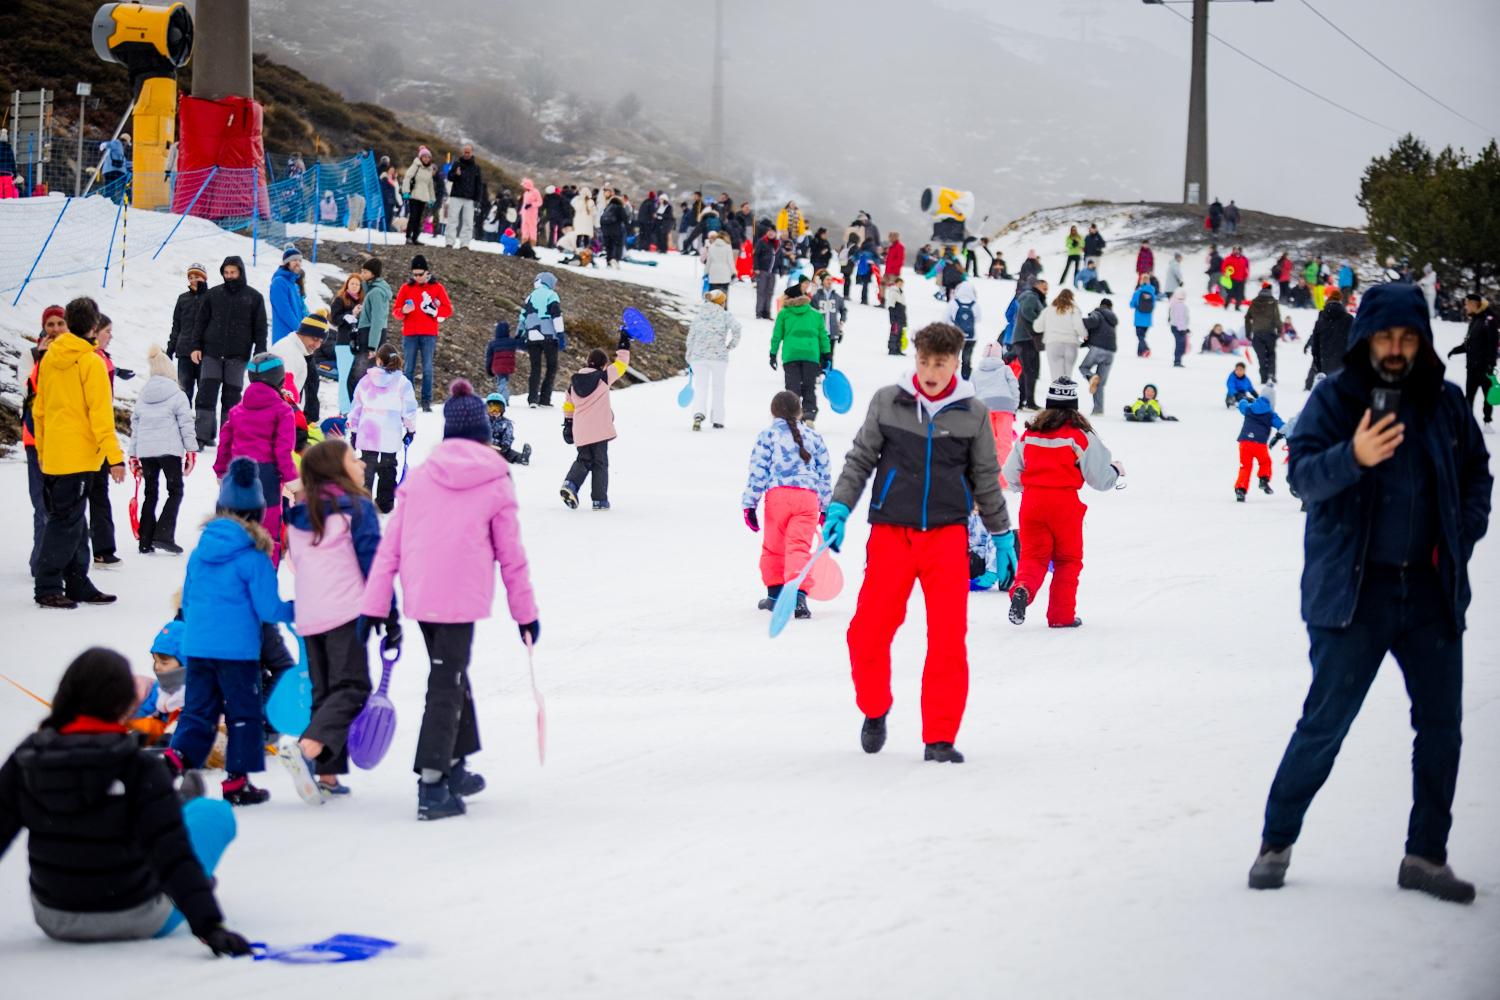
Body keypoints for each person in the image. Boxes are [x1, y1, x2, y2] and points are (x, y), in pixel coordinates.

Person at [1249, 282, 1491, 902]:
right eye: (1384, 336)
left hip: (1431, 592)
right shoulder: (1335, 399)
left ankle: (1425, 856)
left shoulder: (1444, 404)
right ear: (1365, 340)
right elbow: (1303, 475)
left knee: (1441, 727)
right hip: (1352, 596)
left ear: (1421, 342)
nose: (1395, 348)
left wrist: (1458, 539)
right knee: (1326, 722)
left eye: (1407, 337)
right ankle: (1277, 838)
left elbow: (1475, 478)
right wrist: (1353, 455)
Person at [821, 323, 1014, 764]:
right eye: (924, 360)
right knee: (867, 634)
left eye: (940, 362)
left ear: (955, 363)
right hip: (891, 535)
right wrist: (838, 509)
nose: (930, 370)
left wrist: (1002, 536)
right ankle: (875, 707)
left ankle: (939, 738)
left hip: (946, 538)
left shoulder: (973, 413)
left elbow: (986, 480)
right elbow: (860, 460)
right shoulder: (889, 402)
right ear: (916, 359)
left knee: (948, 640)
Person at [360, 379, 539, 820]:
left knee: (451, 672)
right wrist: (526, 615)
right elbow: (511, 555)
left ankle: (456, 765)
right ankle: (433, 783)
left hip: (423, 594)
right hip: (459, 597)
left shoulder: (421, 476)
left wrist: (375, 603)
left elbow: (390, 548)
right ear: (481, 431)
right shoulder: (496, 477)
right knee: (445, 682)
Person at [0, 648, 252, 955]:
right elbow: (173, 854)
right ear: (122, 704)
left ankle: (176, 805)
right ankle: (180, 807)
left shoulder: (28, 758)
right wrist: (210, 927)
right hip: (138, 915)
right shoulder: (137, 765)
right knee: (212, 813)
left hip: (55, 917)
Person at [170, 457, 296, 806]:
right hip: (237, 653)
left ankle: (173, 762)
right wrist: (297, 611)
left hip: (198, 647)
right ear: (257, 512)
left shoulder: (200, 551)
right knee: (244, 715)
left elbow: (189, 599)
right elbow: (269, 609)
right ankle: (236, 783)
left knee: (198, 712)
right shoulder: (254, 557)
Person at [285, 440, 390, 796]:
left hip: (310, 612)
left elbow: (297, 563)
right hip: (345, 610)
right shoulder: (357, 509)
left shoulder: (300, 514)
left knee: (326, 691)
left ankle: (328, 776)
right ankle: (307, 749)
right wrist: (387, 611)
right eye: (353, 459)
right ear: (337, 470)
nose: (361, 464)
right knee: (352, 688)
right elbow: (373, 562)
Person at [1003, 377, 1121, 629]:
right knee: (1068, 560)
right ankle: (1060, 616)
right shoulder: (1080, 436)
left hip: (1032, 503)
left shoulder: (1030, 434)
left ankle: (1022, 589)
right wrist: (1115, 472)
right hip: (1064, 505)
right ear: (1073, 405)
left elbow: (1010, 472)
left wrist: (1029, 487)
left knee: (1033, 556)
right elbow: (1100, 478)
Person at [32, 298, 123, 609]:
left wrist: (43, 450)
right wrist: (115, 457)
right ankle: (47, 584)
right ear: (94, 326)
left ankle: (77, 581)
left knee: (74, 520)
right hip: (79, 455)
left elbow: (39, 410)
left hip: (56, 453)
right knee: (64, 522)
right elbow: (100, 415)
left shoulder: (49, 358)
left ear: (69, 323)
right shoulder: (90, 362)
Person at [741, 390, 832, 619]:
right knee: (799, 547)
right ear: (799, 411)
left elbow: (757, 472)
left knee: (774, 547)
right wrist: (825, 507)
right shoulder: (813, 437)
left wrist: (749, 504)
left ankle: (774, 596)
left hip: (778, 498)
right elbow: (824, 474)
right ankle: (799, 596)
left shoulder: (767, 435)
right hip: (807, 499)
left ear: (772, 412)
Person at [212, 352, 299, 563]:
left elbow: (224, 443)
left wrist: (221, 471)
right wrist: (293, 481)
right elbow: (283, 450)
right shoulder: (283, 410)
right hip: (266, 477)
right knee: (266, 535)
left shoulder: (237, 411)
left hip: (236, 476)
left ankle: (230, 576)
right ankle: (263, 577)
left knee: (232, 531)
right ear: (279, 379)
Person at [185, 256, 267, 448]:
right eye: (226, 272)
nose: (229, 276)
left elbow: (260, 329)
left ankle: (229, 437)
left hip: (238, 356)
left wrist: (260, 353)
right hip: (211, 353)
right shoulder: (213, 295)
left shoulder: (254, 297)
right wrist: (195, 346)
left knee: (232, 397)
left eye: (233, 272)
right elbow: (200, 322)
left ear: (240, 272)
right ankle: (202, 436)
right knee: (206, 394)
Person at [129, 344, 197, 555]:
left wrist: (133, 456)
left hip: (147, 452)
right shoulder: (177, 394)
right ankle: (164, 534)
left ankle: (145, 540)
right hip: (169, 451)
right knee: (175, 490)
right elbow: (186, 425)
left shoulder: (143, 396)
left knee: (151, 493)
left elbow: (135, 428)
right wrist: (191, 451)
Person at [561, 335, 631, 510]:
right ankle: (599, 500)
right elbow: (622, 364)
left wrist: (568, 424)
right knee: (600, 463)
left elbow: (568, 405)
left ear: (587, 362)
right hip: (600, 430)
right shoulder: (604, 377)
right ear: (603, 365)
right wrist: (624, 342)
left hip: (581, 430)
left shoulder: (573, 383)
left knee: (584, 459)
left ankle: (571, 483)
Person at [22, 305, 68, 577]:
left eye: (60, 323)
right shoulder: (31, 356)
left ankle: (59, 560)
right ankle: (40, 560)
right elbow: (30, 391)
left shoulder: (76, 356)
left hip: (63, 438)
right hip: (36, 438)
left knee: (62, 504)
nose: (54, 329)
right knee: (41, 502)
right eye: (50, 324)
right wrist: (43, 359)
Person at [348, 343, 418, 514]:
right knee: (388, 469)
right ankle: (385, 504)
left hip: (367, 432)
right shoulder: (403, 383)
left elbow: (356, 407)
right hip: (390, 434)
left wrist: (354, 430)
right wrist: (410, 429)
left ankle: (364, 503)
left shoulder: (366, 380)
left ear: (378, 360)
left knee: (366, 467)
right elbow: (409, 410)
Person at [392, 254, 453, 412]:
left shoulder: (437, 288)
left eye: (420, 274)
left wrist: (435, 311)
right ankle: (408, 401)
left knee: (427, 368)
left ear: (427, 272)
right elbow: (396, 311)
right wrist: (403, 311)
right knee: (408, 369)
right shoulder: (406, 288)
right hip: (410, 334)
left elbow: (448, 310)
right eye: (414, 274)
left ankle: (426, 402)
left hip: (429, 334)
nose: (417, 277)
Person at [769, 278, 831, 427]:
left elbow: (777, 335)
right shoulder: (815, 314)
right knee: (809, 386)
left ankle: (791, 415)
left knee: (792, 387)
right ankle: (809, 415)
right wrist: (826, 354)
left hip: (791, 355)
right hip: (811, 355)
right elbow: (823, 336)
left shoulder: (784, 313)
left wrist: (773, 353)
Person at [685, 290, 742, 432]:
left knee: (701, 387)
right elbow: (737, 328)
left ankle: (698, 414)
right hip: (718, 357)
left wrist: (689, 355)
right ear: (721, 302)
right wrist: (731, 345)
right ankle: (718, 420)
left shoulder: (699, 315)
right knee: (718, 387)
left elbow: (691, 337)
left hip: (699, 357)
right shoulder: (725, 315)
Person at [971, 343, 1021, 489]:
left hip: (984, 408)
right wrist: (1014, 406)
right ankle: (1004, 479)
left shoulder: (976, 372)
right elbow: (1014, 388)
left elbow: (971, 392)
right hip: (1004, 406)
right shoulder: (1005, 369)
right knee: (1004, 443)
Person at [1447, 292, 1499, 430]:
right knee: (1469, 396)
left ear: (1474, 304)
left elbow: (1493, 344)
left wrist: (1491, 364)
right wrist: (1456, 350)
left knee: (1487, 396)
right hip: (1472, 367)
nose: (1465, 307)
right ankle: (1466, 422)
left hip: (1484, 367)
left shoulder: (1489, 320)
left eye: (1467, 304)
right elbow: (1470, 342)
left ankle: (1487, 421)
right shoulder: (1475, 320)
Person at [520, 272, 565, 408]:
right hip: (549, 336)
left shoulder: (530, 297)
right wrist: (561, 334)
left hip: (532, 336)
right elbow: (556, 315)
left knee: (535, 368)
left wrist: (520, 334)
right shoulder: (552, 295)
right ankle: (545, 398)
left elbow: (522, 317)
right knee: (551, 366)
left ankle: (532, 398)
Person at [351, 257, 391, 406]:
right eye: (362, 270)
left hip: (371, 337)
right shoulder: (372, 290)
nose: (362, 274)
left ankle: (360, 408)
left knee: (361, 375)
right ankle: (360, 407)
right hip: (368, 335)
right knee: (361, 375)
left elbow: (377, 320)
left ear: (373, 274)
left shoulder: (376, 293)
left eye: (365, 271)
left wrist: (372, 347)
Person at [167, 263, 208, 406]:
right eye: (190, 277)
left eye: (197, 277)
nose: (193, 280)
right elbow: (176, 326)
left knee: (204, 393)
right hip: (184, 352)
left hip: (204, 353)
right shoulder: (182, 299)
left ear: (204, 278)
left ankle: (201, 425)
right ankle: (184, 424)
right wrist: (170, 349)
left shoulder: (211, 298)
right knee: (184, 393)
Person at [1234, 389, 1284, 500]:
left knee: (1245, 466)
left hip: (1245, 442)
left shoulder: (1250, 408)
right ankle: (1263, 479)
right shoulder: (1271, 414)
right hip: (1259, 444)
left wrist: (1244, 399)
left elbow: (1242, 405)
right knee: (1265, 462)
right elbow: (1282, 426)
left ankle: (1240, 489)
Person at [1034, 287, 1087, 384]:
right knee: (1067, 375)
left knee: (1056, 375)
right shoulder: (1074, 309)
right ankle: (1066, 396)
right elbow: (1078, 326)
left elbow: (1037, 327)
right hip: (1071, 344)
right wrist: (1084, 335)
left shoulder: (1048, 310)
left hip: (1053, 344)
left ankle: (1057, 397)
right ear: (1071, 298)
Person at [328, 274, 363, 415]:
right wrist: (349, 315)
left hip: (358, 343)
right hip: (343, 343)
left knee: (355, 377)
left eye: (357, 284)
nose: (354, 286)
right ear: (347, 284)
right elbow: (334, 319)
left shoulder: (362, 301)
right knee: (344, 376)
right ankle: (344, 408)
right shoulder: (340, 299)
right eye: (352, 283)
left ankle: (354, 406)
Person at [1079, 298, 1118, 415]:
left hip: (1098, 349)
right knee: (1100, 383)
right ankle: (1098, 410)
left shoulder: (1098, 313)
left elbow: (1091, 322)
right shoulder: (1112, 319)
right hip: (1110, 352)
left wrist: (1076, 320)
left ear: (1101, 305)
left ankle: (1091, 378)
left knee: (1084, 368)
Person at [1013, 278, 1047, 409]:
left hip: (1027, 339)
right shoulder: (1032, 297)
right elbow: (1027, 311)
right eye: (1044, 288)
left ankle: (1022, 401)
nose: (1046, 291)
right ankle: (1028, 401)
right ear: (1037, 286)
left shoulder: (1035, 298)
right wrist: (1040, 324)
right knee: (1030, 371)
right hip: (1026, 338)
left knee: (1028, 371)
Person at [1307, 288, 1352, 383]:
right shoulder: (1349, 319)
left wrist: (1318, 364)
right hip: (1342, 363)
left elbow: (1315, 344)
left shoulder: (1322, 318)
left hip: (1324, 361)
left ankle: (1308, 384)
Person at [443, 144, 482, 250]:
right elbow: (449, 177)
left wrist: (478, 200)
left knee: (468, 222)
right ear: (462, 152)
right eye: (465, 152)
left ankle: (465, 243)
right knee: (452, 219)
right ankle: (449, 242)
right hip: (456, 196)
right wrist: (456, 174)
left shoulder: (476, 168)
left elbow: (479, 185)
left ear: (472, 153)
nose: (466, 154)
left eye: (468, 152)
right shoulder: (457, 164)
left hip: (470, 198)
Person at [1245, 282, 1282, 385]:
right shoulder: (1273, 302)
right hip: (1270, 333)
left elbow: (1247, 318)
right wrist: (1279, 330)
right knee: (1271, 355)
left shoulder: (1254, 302)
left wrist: (1248, 332)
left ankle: (1263, 377)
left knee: (1261, 357)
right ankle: (1271, 374)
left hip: (1257, 334)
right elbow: (1277, 317)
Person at [269, 245, 307, 345]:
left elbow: (301, 310)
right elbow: (284, 311)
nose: (297, 263)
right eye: (294, 260)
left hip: (297, 337)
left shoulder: (295, 285)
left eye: (299, 260)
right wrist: (300, 331)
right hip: (284, 337)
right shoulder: (279, 282)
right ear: (287, 263)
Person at [945, 279, 983, 379]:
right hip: (971, 337)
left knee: (952, 358)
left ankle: (950, 378)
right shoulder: (975, 305)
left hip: (955, 337)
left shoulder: (953, 303)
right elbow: (978, 319)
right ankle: (965, 379)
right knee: (967, 360)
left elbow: (945, 319)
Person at [402, 147, 439, 245]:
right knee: (413, 217)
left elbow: (430, 185)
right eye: (424, 157)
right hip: (414, 195)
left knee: (419, 219)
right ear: (421, 157)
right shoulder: (416, 166)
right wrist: (405, 191)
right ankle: (408, 237)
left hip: (424, 197)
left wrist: (432, 199)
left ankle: (415, 238)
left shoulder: (430, 169)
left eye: (428, 157)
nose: (426, 159)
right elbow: (407, 178)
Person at [485, 394, 531, 465]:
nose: (494, 411)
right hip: (482, 447)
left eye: (498, 409)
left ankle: (522, 458)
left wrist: (505, 445)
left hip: (498, 448)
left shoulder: (506, 423)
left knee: (509, 453)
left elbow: (508, 436)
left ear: (502, 410)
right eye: (491, 408)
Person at [484, 320, 524, 403]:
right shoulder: (511, 342)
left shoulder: (493, 343)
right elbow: (522, 344)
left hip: (497, 366)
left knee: (501, 382)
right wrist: (520, 335)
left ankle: (504, 399)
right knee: (503, 381)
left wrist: (488, 369)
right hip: (508, 366)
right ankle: (503, 398)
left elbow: (489, 357)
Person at [1128, 276, 1156, 358]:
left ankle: (1145, 349)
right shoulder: (1152, 293)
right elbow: (1154, 305)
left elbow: (1131, 304)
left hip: (1139, 318)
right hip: (1148, 319)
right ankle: (1140, 353)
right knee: (1142, 336)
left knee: (1140, 336)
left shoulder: (1138, 292)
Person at [599, 195, 630, 267]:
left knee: (609, 246)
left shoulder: (607, 207)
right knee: (618, 244)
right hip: (616, 230)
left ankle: (608, 260)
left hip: (606, 230)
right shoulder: (619, 208)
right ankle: (616, 259)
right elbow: (625, 219)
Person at [704, 230, 736, 299]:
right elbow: (730, 261)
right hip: (725, 274)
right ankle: (723, 308)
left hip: (713, 274)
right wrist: (734, 272)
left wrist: (706, 272)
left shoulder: (712, 246)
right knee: (723, 297)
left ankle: (713, 309)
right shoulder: (728, 246)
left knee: (713, 297)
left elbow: (708, 262)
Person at [1167, 287, 1191, 368]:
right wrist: (1183, 329)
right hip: (1179, 328)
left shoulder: (1174, 304)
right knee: (1180, 344)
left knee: (1180, 344)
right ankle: (1177, 361)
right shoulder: (1180, 305)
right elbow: (1180, 318)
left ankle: (1177, 360)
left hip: (1176, 327)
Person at [1223, 246, 1250, 311]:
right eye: (1235, 250)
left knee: (1240, 294)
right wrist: (1227, 273)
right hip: (1232, 279)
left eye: (1238, 250)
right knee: (1230, 293)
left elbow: (1247, 269)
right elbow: (1224, 267)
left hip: (1241, 279)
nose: (1237, 251)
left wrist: (1246, 276)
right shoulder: (1228, 258)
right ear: (1233, 251)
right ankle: (1226, 305)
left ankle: (1237, 307)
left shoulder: (1244, 259)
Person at [886, 276, 908, 356]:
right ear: (896, 283)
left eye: (902, 284)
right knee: (894, 332)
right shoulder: (894, 292)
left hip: (901, 315)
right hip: (896, 316)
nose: (901, 285)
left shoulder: (900, 292)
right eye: (899, 283)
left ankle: (898, 348)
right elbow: (891, 305)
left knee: (900, 333)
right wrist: (892, 317)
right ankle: (892, 349)